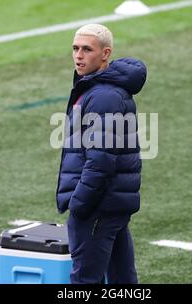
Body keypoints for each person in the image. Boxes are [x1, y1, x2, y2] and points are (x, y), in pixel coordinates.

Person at [55, 24, 147, 284]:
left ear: (106, 53)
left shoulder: (103, 96)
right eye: (75, 49)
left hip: (98, 206)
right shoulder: (98, 89)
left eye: (87, 49)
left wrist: (80, 205)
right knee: (122, 280)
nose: (78, 56)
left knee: (85, 282)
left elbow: (101, 161)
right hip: (111, 204)